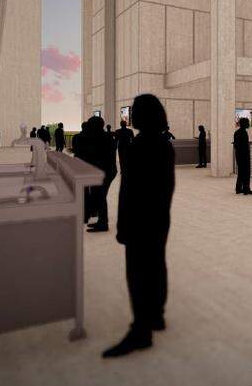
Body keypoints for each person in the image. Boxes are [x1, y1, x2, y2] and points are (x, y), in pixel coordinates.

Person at [103, 94, 176, 358]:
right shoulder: (164, 144)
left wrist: (124, 225)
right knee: (157, 264)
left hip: (139, 220)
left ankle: (141, 330)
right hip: (159, 217)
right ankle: (157, 315)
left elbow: (129, 191)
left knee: (138, 273)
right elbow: (167, 186)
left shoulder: (140, 145)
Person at [85, 116, 118, 233]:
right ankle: (102, 221)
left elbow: (95, 156)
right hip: (106, 171)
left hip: (104, 172)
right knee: (99, 196)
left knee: (100, 196)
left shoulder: (100, 138)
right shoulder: (106, 137)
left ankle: (103, 223)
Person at [233, 117, 252, 195]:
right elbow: (243, 146)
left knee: (241, 172)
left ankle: (238, 188)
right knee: (246, 172)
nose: (249, 124)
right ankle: (246, 189)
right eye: (247, 123)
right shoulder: (243, 132)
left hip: (239, 155)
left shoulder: (237, 132)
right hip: (244, 156)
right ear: (244, 124)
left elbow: (236, 145)